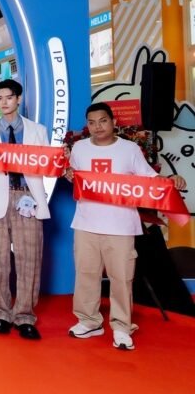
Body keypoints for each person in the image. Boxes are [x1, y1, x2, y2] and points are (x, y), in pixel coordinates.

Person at [64, 102, 185, 351]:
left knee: (121, 278)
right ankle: (89, 321)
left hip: (120, 225)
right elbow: (74, 177)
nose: (97, 127)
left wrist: (170, 180)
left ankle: (121, 326)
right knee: (86, 274)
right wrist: (68, 175)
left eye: (103, 121)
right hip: (86, 223)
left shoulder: (129, 149)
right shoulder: (79, 148)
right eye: (92, 122)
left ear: (113, 122)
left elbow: (149, 178)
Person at [0, 79, 49, 340]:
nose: (4, 102)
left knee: (29, 258)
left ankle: (25, 315)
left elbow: (45, 165)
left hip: (28, 197)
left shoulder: (38, 131)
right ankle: (0, 313)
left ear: (19, 99)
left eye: (9, 97)